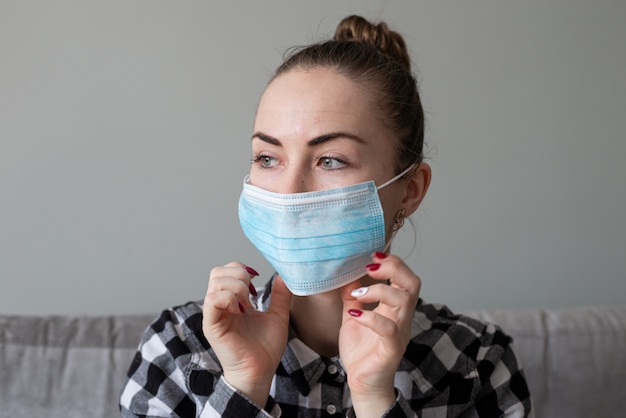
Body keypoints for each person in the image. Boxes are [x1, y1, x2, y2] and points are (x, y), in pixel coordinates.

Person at [120, 15, 533, 417]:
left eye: (331, 160)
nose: (289, 189)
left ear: (410, 190)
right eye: (268, 157)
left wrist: (375, 398)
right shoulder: (178, 350)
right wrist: (243, 387)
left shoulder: (476, 364)